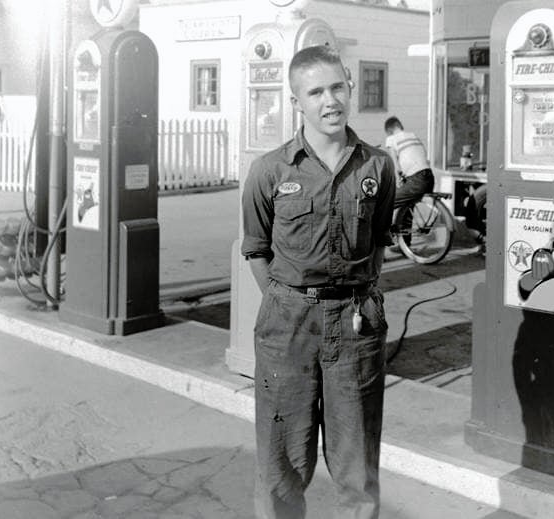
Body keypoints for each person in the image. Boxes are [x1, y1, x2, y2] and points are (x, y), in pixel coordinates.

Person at [241, 45, 396, 519]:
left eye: (337, 88)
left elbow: (379, 241)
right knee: (282, 466)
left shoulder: (378, 166)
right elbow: (256, 250)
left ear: (350, 88)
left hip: (355, 324)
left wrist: (356, 298)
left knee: (358, 467)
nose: (330, 101)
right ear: (296, 102)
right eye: (316, 92)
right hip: (288, 324)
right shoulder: (270, 170)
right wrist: (288, 302)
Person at [383, 116, 434, 211]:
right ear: (399, 125)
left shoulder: (391, 139)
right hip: (429, 178)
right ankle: (404, 220)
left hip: (416, 181)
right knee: (406, 202)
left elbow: (396, 168)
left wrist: (397, 180)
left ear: (389, 131)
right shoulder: (413, 135)